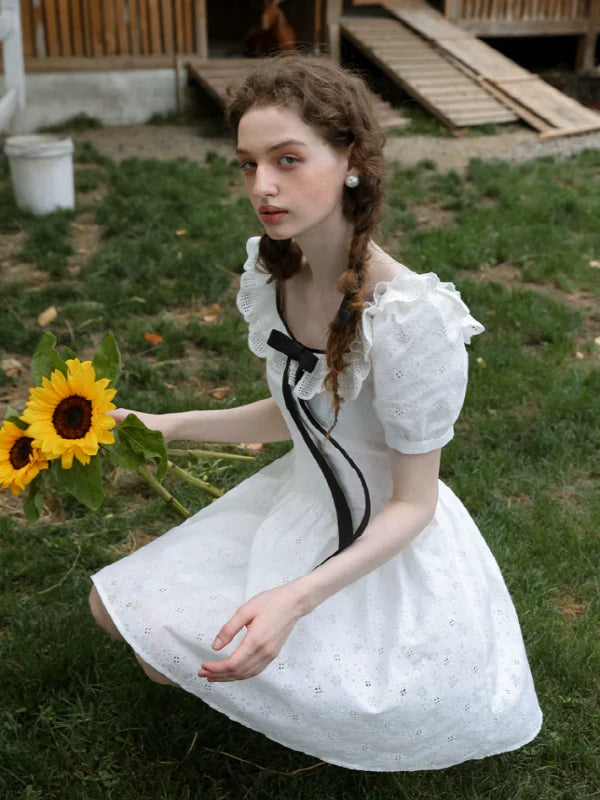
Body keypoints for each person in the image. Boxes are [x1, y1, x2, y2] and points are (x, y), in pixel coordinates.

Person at [89, 53, 542, 771]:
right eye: (247, 164)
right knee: (118, 615)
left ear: (351, 161)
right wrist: (167, 425)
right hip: (299, 501)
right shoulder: (275, 275)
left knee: (268, 667)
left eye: (288, 159)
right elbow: (297, 412)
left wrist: (294, 600)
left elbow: (414, 504)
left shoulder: (411, 319)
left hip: (380, 540)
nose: (262, 186)